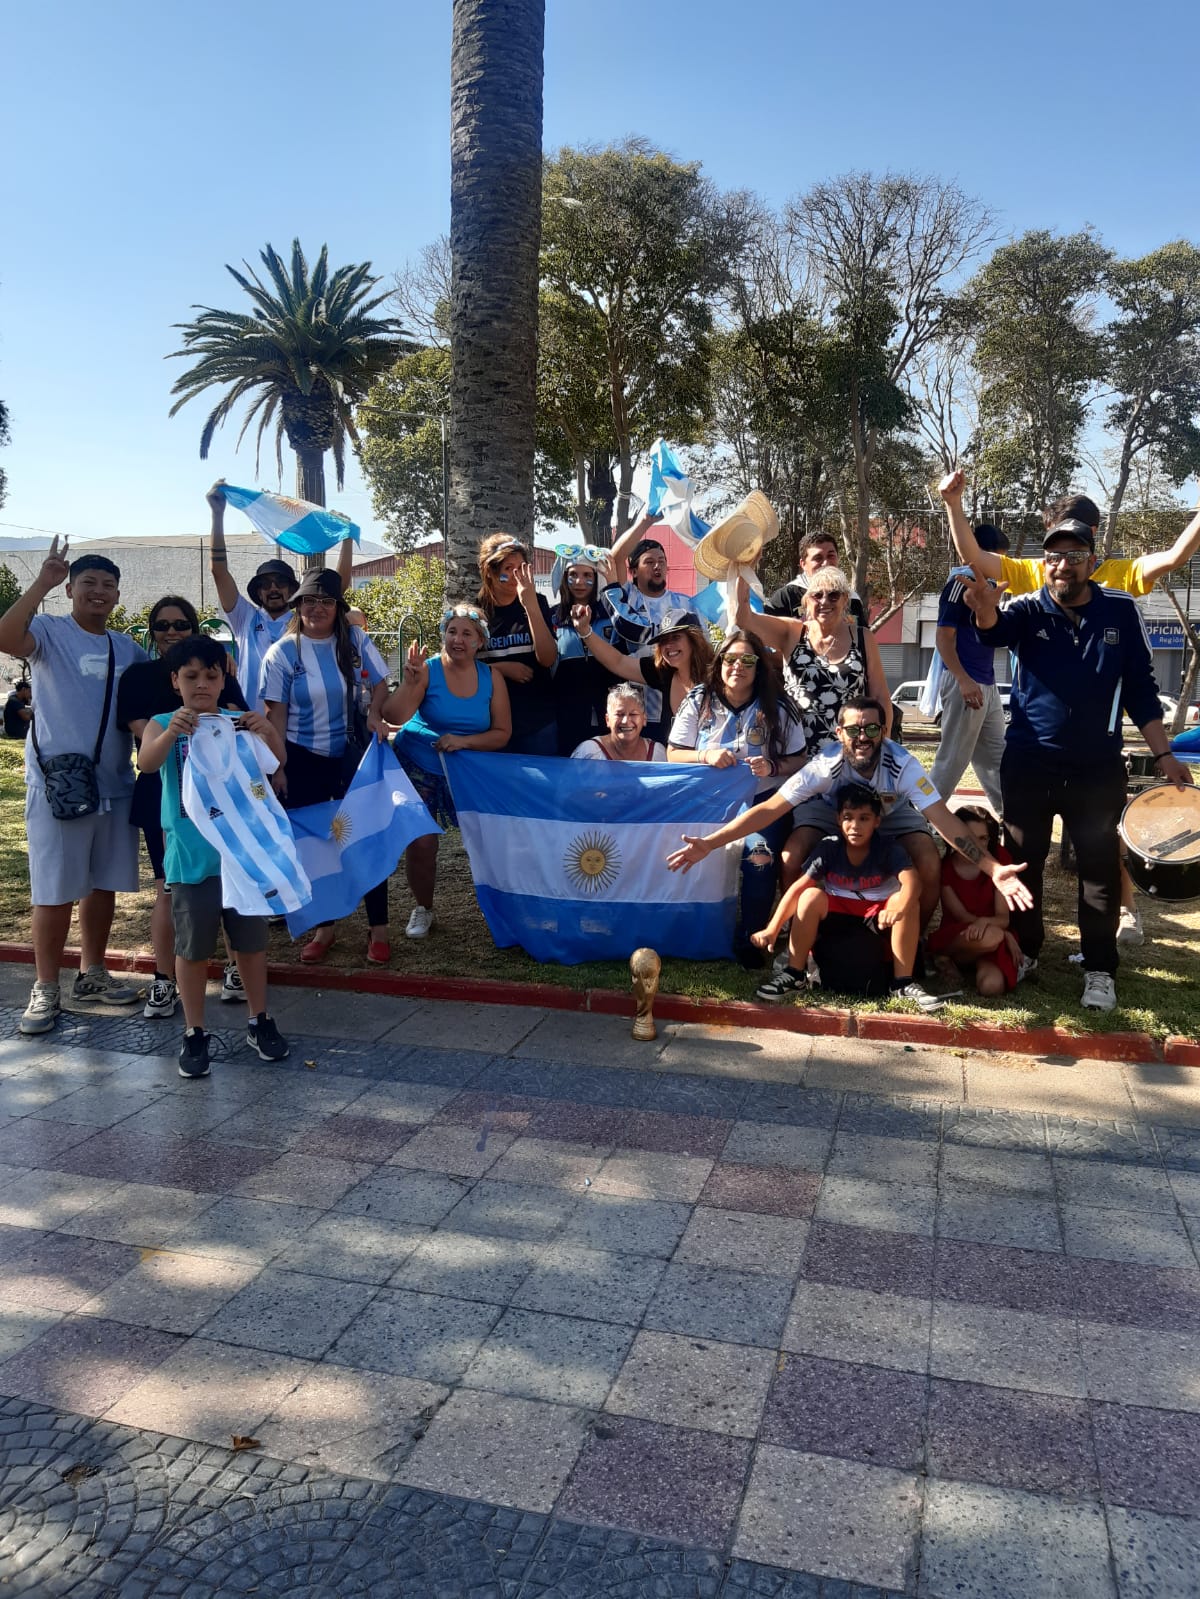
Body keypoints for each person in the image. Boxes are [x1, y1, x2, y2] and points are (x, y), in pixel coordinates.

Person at [940, 470, 1196, 942]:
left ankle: (1109, 947)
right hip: (1032, 756)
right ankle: (1027, 949)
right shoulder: (1032, 581)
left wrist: (1164, 754)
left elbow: (1140, 685)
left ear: (1093, 548)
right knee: (1026, 856)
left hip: (1095, 761)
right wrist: (955, 509)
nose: (1063, 563)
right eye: (1055, 552)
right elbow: (980, 580)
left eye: (1076, 551)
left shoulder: (1119, 596)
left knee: (1098, 860)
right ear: (1045, 551)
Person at [668, 697, 1031, 944]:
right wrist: (711, 843)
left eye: (872, 730)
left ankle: (911, 942)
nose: (863, 737)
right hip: (830, 809)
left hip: (890, 810)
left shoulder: (902, 764)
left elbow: (942, 819)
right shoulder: (825, 765)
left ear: (884, 733)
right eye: (854, 730)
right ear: (839, 734)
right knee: (792, 855)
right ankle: (801, 942)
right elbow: (770, 809)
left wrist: (991, 868)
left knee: (927, 859)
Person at [0, 540, 147, 1036]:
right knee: (54, 890)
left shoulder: (127, 647)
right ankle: (45, 988)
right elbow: (4, 636)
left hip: (115, 785)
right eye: (88, 584)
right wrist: (39, 582)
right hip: (58, 788)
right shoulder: (47, 631)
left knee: (102, 884)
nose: (98, 592)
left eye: (108, 586)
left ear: (118, 596)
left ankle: (93, 972)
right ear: (69, 590)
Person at [136, 636, 290, 1077]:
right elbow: (147, 763)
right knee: (193, 946)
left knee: (251, 941)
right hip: (191, 856)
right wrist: (169, 733)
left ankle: (259, 1020)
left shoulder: (238, 723)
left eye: (210, 675)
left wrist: (268, 732)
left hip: (241, 853)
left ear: (225, 678)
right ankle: (194, 1031)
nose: (201, 685)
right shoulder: (163, 722)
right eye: (191, 676)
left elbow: (274, 764)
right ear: (175, 680)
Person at [117, 595, 250, 1019]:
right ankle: (163, 978)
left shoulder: (217, 669)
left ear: (195, 628)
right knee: (168, 889)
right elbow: (147, 740)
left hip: (219, 796)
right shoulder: (138, 676)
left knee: (229, 883)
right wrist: (179, 724)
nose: (171, 631)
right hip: (165, 791)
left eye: (181, 623)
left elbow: (235, 716)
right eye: (162, 624)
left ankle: (234, 967)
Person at [261, 568, 391, 963]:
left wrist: (375, 713)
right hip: (302, 757)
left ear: (339, 607)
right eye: (309, 601)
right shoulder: (281, 653)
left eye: (327, 601)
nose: (317, 608)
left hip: (351, 753)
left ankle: (379, 928)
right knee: (316, 844)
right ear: (297, 605)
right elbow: (275, 716)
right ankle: (325, 927)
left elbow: (381, 681)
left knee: (365, 836)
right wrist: (278, 767)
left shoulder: (353, 639)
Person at [667, 629, 807, 964]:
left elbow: (800, 758)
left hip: (761, 802)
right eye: (731, 659)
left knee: (760, 862)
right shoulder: (699, 699)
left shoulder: (779, 705)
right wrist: (705, 756)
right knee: (696, 863)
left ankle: (751, 939)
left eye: (748, 660)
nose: (738, 667)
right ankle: (697, 929)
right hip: (706, 803)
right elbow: (673, 752)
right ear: (720, 663)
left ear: (759, 667)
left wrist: (772, 767)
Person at [750, 782, 940, 1010]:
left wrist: (897, 909)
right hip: (838, 915)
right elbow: (797, 889)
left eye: (864, 818)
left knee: (906, 901)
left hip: (877, 915)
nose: (855, 826)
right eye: (848, 817)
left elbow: (913, 882)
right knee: (810, 895)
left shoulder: (888, 847)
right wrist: (772, 928)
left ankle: (902, 984)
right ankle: (795, 974)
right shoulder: (829, 847)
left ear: (877, 821)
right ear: (838, 819)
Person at [384, 603, 511, 939]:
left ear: (480, 641)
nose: (457, 639)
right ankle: (423, 908)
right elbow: (394, 716)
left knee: (488, 841)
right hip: (418, 764)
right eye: (452, 631)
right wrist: (410, 684)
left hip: (467, 770)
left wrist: (464, 742)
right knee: (423, 844)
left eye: (467, 633)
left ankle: (500, 906)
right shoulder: (426, 669)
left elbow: (502, 733)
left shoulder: (492, 678)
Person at [206, 479, 355, 712]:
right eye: (265, 584)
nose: (273, 588)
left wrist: (346, 539)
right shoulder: (244, 618)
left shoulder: (302, 620)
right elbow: (219, 571)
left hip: (292, 727)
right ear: (257, 592)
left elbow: (337, 589)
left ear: (293, 590)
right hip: (248, 724)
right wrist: (217, 514)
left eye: (280, 582)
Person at [734, 567, 891, 755]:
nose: (825, 601)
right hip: (796, 752)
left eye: (833, 595)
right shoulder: (792, 632)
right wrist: (743, 568)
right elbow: (744, 619)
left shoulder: (862, 637)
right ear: (807, 600)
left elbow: (880, 696)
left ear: (845, 600)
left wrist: (884, 745)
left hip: (848, 753)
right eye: (817, 595)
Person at [928, 524, 1010, 817]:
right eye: (995, 559)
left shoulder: (988, 587)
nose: (998, 567)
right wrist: (963, 679)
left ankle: (1012, 824)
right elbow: (943, 637)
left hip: (987, 685)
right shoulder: (959, 584)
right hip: (964, 682)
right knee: (951, 762)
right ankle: (916, 826)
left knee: (998, 762)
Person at [569, 603, 714, 749]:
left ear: (694, 639)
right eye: (663, 640)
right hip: (674, 765)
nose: (668, 646)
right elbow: (618, 662)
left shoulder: (717, 674)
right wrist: (584, 631)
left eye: (675, 637)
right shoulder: (662, 671)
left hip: (714, 766)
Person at [475, 533, 558, 756]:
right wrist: (500, 669)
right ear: (490, 572)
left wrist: (530, 605)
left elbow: (548, 658)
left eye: (522, 567)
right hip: (490, 723)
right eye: (508, 568)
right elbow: (459, 667)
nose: (516, 575)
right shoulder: (476, 612)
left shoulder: (537, 601)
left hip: (537, 721)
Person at [928, 806, 1020, 996]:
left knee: (992, 987)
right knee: (993, 936)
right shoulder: (946, 867)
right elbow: (961, 916)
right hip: (959, 934)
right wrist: (1002, 933)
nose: (976, 847)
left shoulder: (999, 860)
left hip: (990, 935)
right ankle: (944, 956)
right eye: (969, 838)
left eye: (983, 839)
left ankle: (968, 964)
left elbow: (1003, 917)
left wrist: (993, 926)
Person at [548, 547, 615, 755]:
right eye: (573, 575)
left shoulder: (611, 615)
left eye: (587, 575)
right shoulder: (552, 618)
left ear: (596, 579)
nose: (579, 582)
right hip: (566, 716)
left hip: (608, 714)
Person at [765, 530, 867, 624]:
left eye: (830, 556)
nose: (826, 563)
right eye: (818, 558)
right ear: (803, 564)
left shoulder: (851, 598)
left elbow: (862, 639)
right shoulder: (786, 597)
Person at [571, 684, 666, 762]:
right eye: (619, 714)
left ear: (644, 719)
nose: (625, 721)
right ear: (607, 720)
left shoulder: (657, 753)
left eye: (633, 714)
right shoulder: (588, 752)